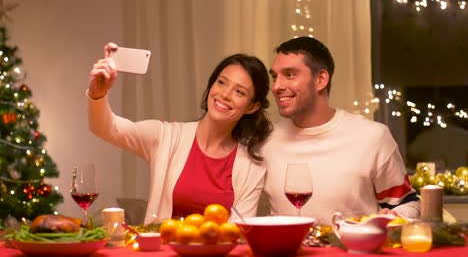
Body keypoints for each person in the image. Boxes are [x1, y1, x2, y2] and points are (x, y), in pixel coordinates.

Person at [88, 43, 272, 224]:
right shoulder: (166, 137)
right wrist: (98, 94)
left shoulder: (251, 167)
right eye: (222, 82)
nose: (225, 94)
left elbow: (240, 233)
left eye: (239, 92)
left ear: (252, 106)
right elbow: (106, 128)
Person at [262, 36, 420, 224]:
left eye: (289, 75)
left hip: (350, 251)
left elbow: (407, 203)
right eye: (274, 76)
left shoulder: (371, 137)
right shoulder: (265, 139)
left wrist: (395, 217)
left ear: (321, 79)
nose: (276, 86)